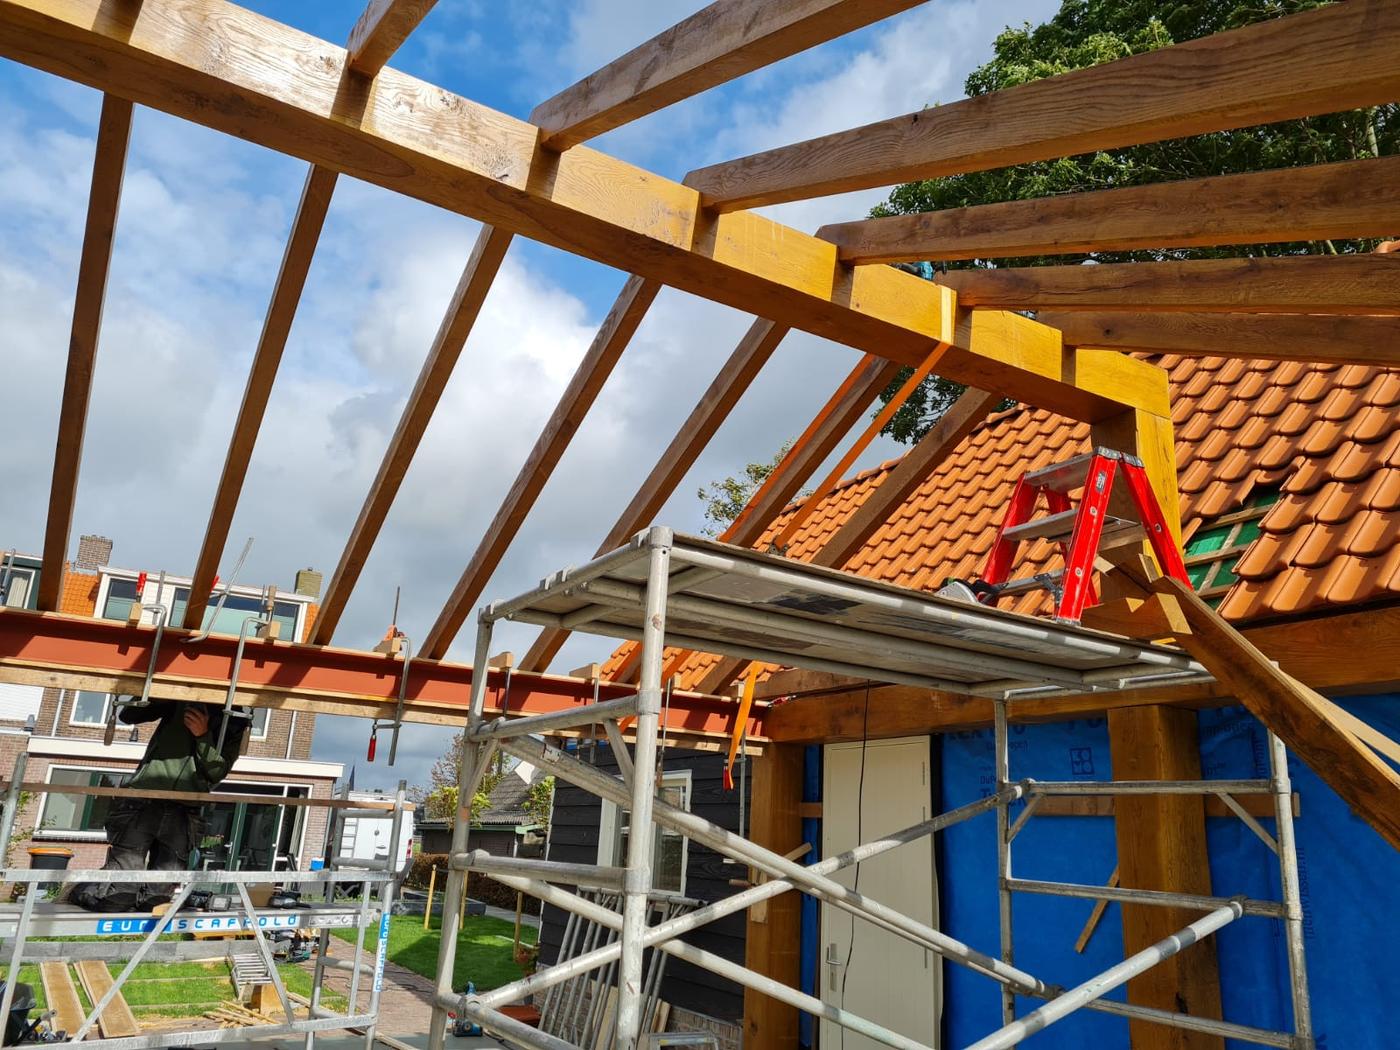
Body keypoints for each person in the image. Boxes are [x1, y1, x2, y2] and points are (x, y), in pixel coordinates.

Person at [69, 700, 250, 913]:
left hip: (184, 808)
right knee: (120, 893)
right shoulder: (183, 701)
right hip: (144, 798)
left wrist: (202, 737)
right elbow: (129, 715)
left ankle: (137, 934)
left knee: (157, 900)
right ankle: (81, 892)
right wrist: (161, 692)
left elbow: (218, 771)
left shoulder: (237, 723)